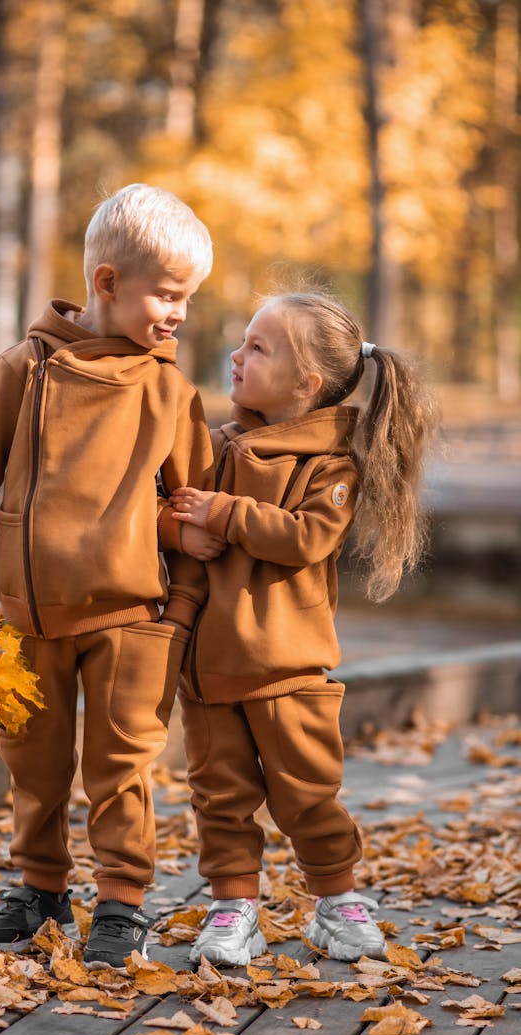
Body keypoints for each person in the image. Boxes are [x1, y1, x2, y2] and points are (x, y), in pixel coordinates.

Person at [0, 183, 219, 968]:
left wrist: (181, 608)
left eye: (188, 297)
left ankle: (121, 900)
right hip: (29, 612)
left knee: (122, 766)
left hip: (131, 616)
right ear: (108, 283)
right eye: (167, 292)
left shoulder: (168, 389)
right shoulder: (22, 368)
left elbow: (193, 512)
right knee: (34, 761)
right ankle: (41, 887)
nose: (179, 312)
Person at [168, 290, 438, 966]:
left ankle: (336, 903)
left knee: (308, 793)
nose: (237, 354)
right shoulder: (215, 446)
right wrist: (177, 525)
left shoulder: (331, 466)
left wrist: (224, 514)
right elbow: (164, 511)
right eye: (243, 341)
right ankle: (235, 909)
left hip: (288, 669)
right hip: (207, 673)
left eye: (258, 347)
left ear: (304, 384)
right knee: (221, 800)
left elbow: (304, 538)